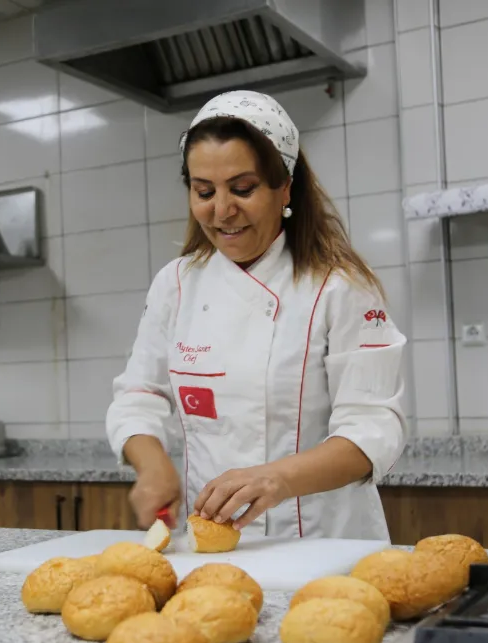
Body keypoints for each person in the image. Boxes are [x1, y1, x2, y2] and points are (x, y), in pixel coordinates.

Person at [105, 90, 407, 541]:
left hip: (325, 544)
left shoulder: (339, 286)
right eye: (203, 191)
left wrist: (277, 479)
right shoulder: (176, 283)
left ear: (285, 187)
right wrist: (152, 466)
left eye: (242, 189)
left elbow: (374, 427)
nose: (222, 210)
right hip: (214, 545)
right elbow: (139, 395)